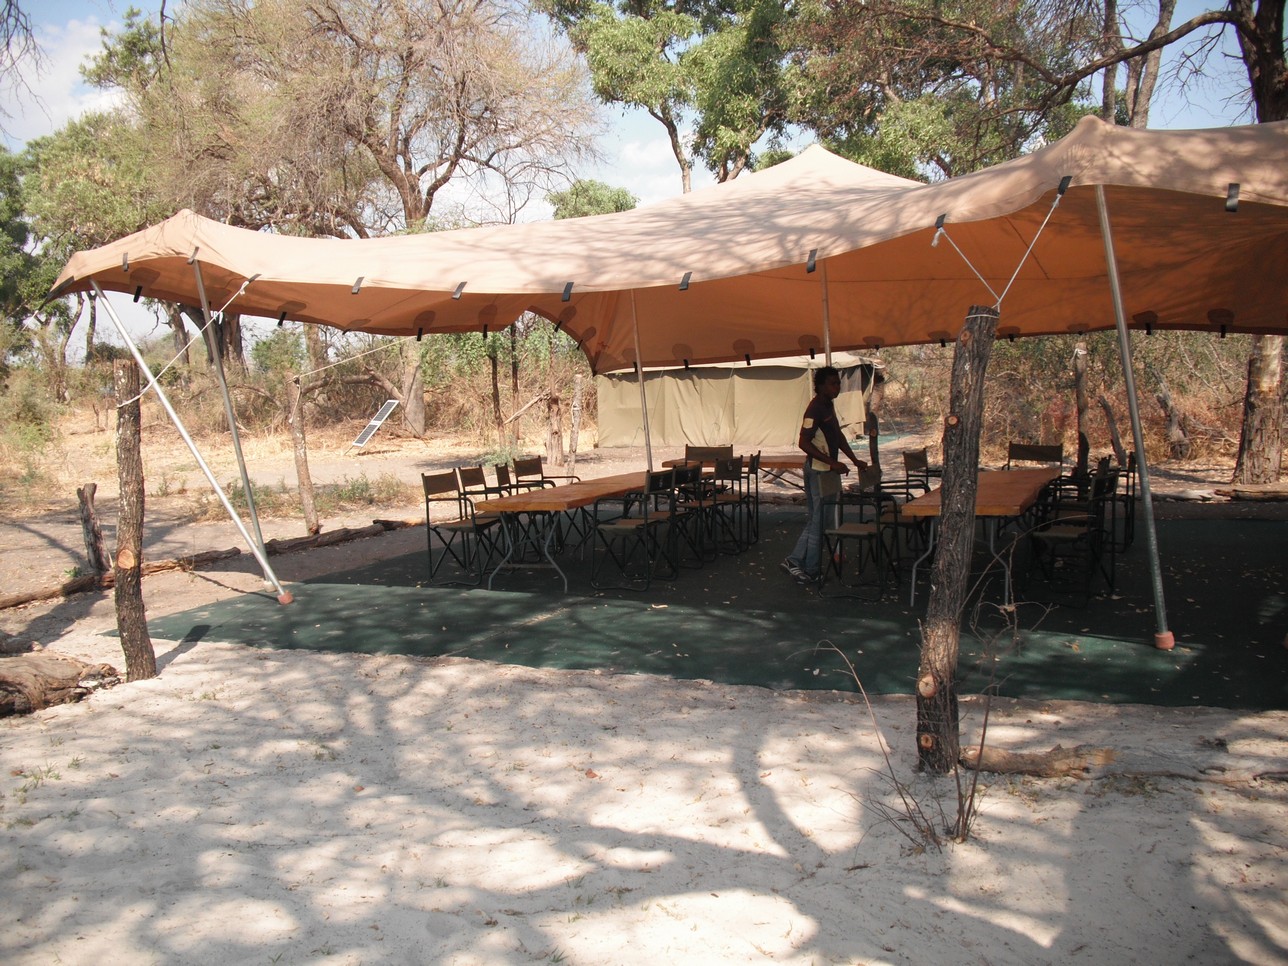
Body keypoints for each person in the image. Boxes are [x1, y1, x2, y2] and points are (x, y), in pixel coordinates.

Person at [781, 366, 866, 585]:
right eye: (832, 383)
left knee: (821, 519)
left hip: (827, 470)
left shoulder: (828, 405)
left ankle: (795, 560)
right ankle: (809, 569)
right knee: (819, 520)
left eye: (838, 383)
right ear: (820, 386)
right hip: (818, 471)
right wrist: (832, 462)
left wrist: (853, 459)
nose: (837, 387)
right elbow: (803, 442)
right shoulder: (815, 408)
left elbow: (837, 436)